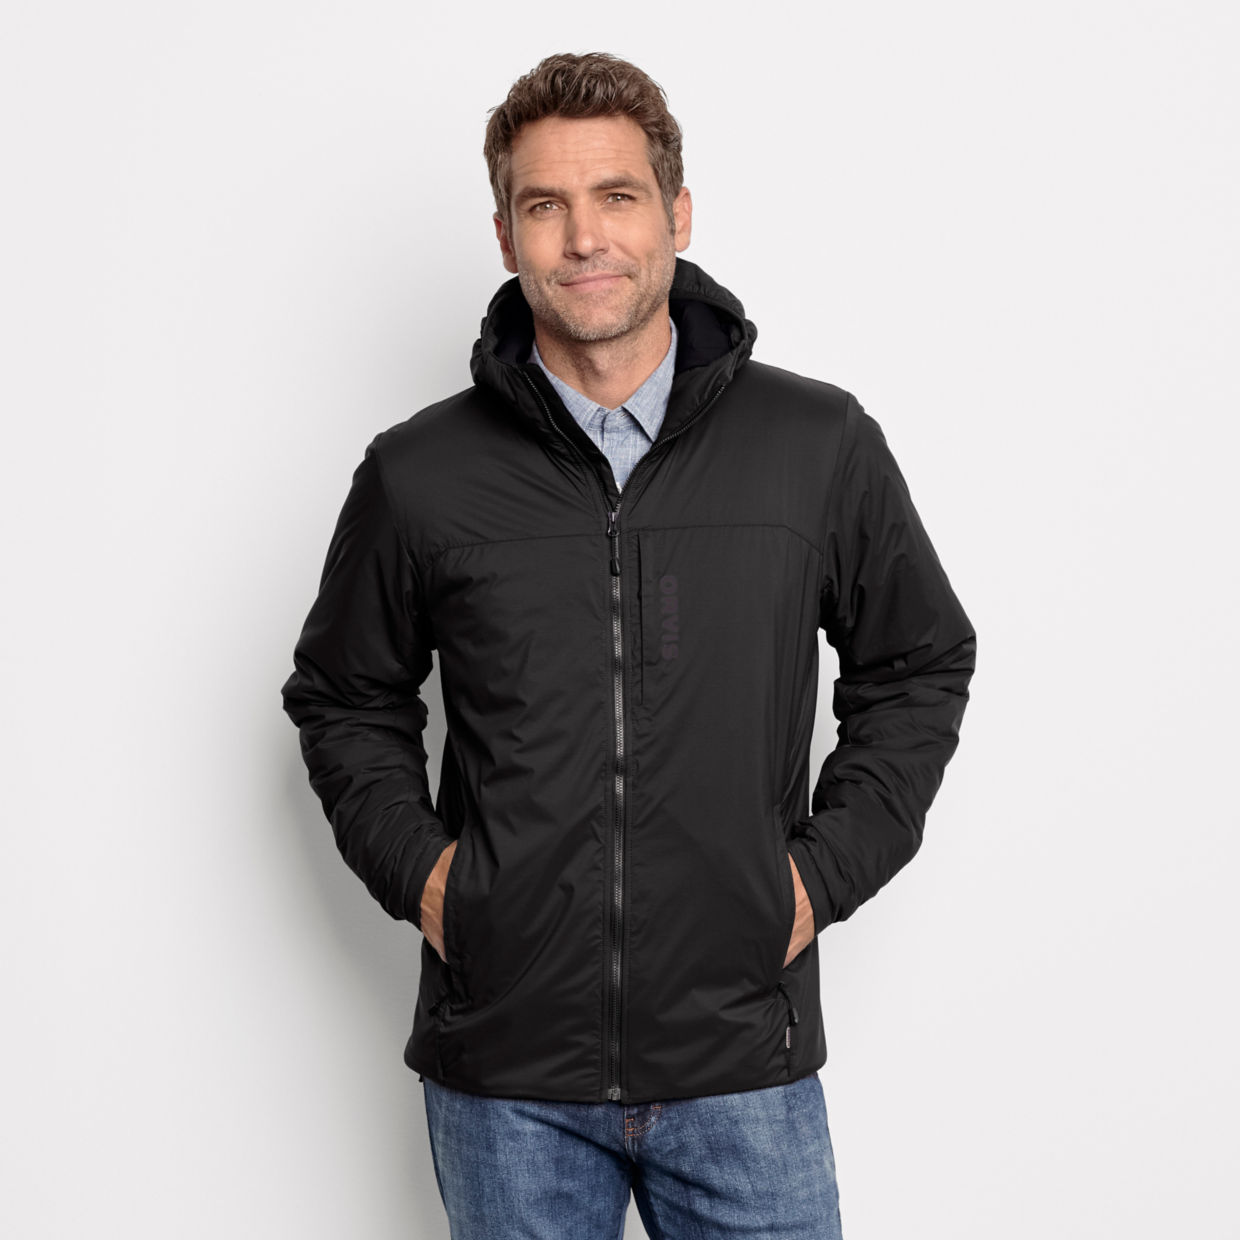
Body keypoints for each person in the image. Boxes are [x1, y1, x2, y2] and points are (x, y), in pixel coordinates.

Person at [281, 50, 975, 1239]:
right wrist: (435, 883)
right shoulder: (420, 473)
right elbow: (345, 698)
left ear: (677, 214)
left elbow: (916, 665)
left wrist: (815, 878)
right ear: (505, 236)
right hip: (507, 1072)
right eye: (544, 205)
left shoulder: (814, 445)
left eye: (616, 196)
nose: (584, 237)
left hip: (739, 1055)